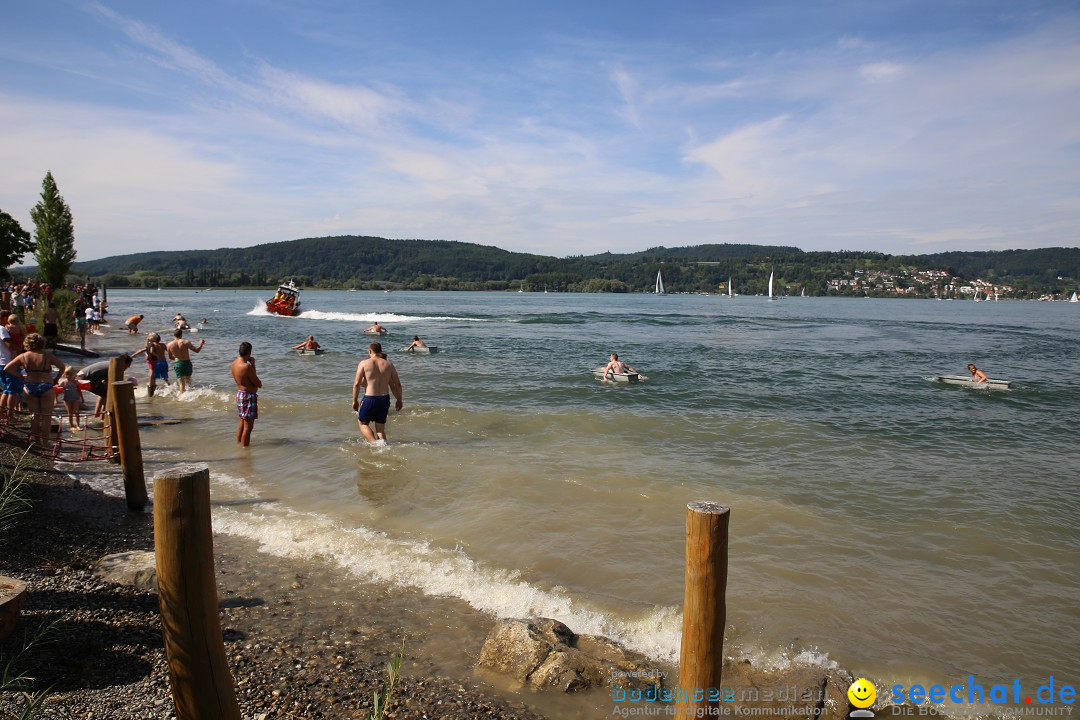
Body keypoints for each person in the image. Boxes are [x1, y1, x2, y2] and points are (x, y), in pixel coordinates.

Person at [3, 333, 65, 444]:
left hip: (29, 385)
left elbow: (7, 368)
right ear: (42, 343)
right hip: (46, 385)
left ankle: (37, 441)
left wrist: (20, 376)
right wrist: (56, 379)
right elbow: (62, 367)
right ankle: (45, 443)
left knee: (34, 415)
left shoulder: (24, 356)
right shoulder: (47, 355)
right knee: (46, 417)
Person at [351, 342, 403, 444]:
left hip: (370, 398)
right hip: (384, 399)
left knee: (362, 423)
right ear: (380, 351)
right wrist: (399, 400)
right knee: (380, 429)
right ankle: (384, 446)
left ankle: (374, 444)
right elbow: (397, 384)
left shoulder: (364, 363)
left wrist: (355, 400)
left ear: (370, 351)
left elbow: (357, 384)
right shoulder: (389, 364)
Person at [231, 342, 261, 447]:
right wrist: (253, 364)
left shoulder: (234, 363)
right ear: (249, 352)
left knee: (241, 423)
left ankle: (239, 445)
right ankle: (245, 451)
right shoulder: (246, 366)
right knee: (248, 427)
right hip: (248, 396)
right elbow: (258, 383)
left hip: (240, 394)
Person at [166, 328, 205, 395]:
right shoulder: (186, 342)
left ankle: (182, 398)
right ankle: (188, 395)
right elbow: (197, 350)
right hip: (187, 363)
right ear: (181, 334)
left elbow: (170, 357)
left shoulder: (169, 345)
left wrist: (177, 359)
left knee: (181, 384)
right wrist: (201, 344)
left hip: (178, 364)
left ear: (174, 335)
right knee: (188, 381)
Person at [131, 332, 170, 396]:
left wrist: (133, 355)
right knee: (165, 378)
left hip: (156, 363)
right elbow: (169, 351)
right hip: (164, 363)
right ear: (159, 339)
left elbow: (141, 350)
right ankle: (169, 390)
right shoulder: (163, 345)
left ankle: (152, 392)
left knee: (153, 379)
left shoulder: (151, 345)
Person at [59, 366, 84, 431]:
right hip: (67, 399)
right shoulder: (64, 382)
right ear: (65, 375)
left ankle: (78, 425)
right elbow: (58, 390)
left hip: (75, 398)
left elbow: (79, 390)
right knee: (70, 413)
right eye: (67, 375)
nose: (68, 376)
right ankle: (72, 425)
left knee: (77, 412)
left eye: (70, 375)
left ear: (73, 375)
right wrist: (55, 399)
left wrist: (82, 398)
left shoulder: (76, 382)